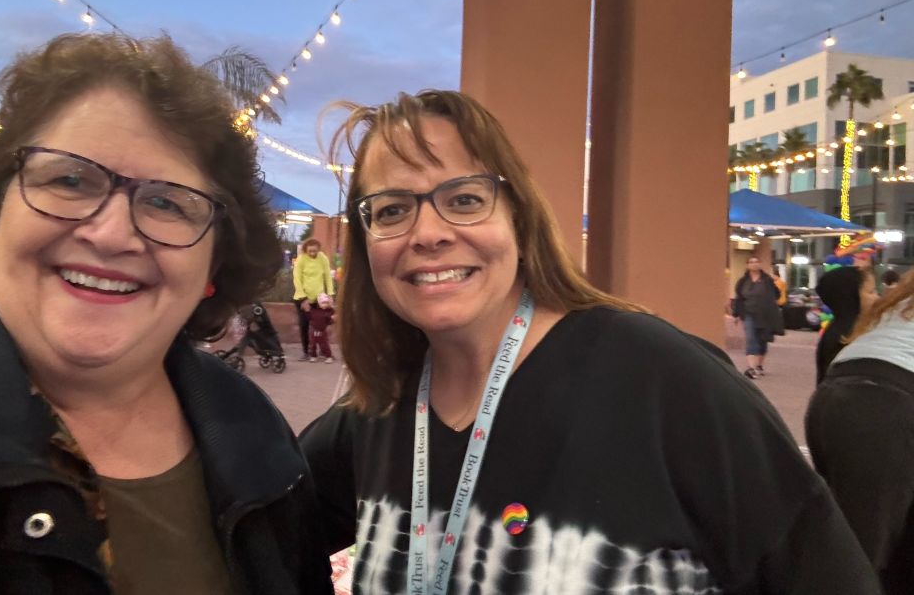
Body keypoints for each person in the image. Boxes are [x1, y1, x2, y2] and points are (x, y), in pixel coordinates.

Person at [300, 89, 878, 594]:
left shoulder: (666, 384)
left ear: (520, 222)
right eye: (393, 209)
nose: (428, 233)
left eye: (465, 199)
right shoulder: (375, 414)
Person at [0, 33, 332, 594]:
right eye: (68, 180)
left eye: (165, 203)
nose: (110, 235)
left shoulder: (256, 436)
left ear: (213, 265)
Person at [806, 268, 914, 594]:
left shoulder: (901, 302)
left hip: (837, 397)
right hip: (884, 406)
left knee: (860, 543)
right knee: (859, 558)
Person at [813, 266, 877, 384]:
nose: (877, 297)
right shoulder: (848, 334)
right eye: (871, 292)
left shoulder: (840, 328)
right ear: (850, 295)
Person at [733, 256, 782, 379]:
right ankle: (752, 368)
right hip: (749, 313)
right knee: (751, 338)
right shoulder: (743, 281)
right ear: (747, 265)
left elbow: (777, 294)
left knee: (762, 340)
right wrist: (736, 314)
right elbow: (739, 298)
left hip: (765, 315)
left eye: (756, 262)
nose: (754, 264)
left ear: (759, 264)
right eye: (751, 262)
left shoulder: (767, 280)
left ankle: (759, 366)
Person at [292, 237, 334, 361]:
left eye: (314, 251)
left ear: (318, 249)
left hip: (319, 299)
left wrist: (330, 294)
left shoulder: (323, 258)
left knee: (321, 325)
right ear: (305, 250)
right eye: (310, 251)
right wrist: (303, 299)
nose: (312, 253)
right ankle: (306, 352)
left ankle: (323, 350)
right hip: (303, 298)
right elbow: (297, 279)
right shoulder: (301, 259)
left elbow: (327, 277)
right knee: (304, 325)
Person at [307, 292, 336, 363]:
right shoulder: (314, 310)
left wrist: (332, 319)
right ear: (319, 303)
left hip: (322, 330)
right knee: (312, 344)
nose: (325, 305)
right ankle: (313, 356)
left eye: (326, 303)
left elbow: (330, 320)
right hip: (313, 330)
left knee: (324, 344)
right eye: (323, 303)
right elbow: (309, 316)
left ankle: (329, 356)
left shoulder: (329, 311)